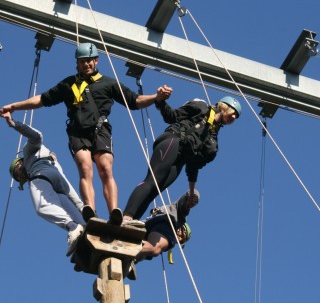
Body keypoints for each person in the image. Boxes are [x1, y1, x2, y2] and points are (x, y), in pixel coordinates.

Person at [0, 42, 172, 222]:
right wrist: (15, 106)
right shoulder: (69, 84)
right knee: (85, 167)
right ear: (77, 63)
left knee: (105, 167)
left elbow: (135, 101)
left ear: (96, 61)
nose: (86, 64)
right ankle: (90, 210)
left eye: (89, 61)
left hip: (100, 129)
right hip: (77, 131)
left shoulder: (108, 83)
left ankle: (114, 211)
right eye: (82, 61)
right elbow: (42, 99)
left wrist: (156, 97)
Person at [123, 96, 241, 222]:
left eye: (236, 116)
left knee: (154, 191)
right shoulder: (201, 108)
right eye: (233, 112)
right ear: (223, 106)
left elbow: (193, 166)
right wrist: (160, 101)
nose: (234, 117)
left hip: (181, 160)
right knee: (152, 180)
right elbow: (172, 116)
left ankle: (132, 221)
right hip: (174, 141)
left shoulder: (212, 140)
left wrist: (191, 193)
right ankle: (126, 216)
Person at [2, 112, 85, 256]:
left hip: (42, 174)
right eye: (18, 176)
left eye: (18, 170)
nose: (20, 173)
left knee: (42, 206)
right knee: (77, 209)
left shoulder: (29, 154)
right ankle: (89, 230)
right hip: (57, 179)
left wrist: (13, 123)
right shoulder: (49, 158)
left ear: (20, 162)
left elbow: (37, 136)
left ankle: (72, 226)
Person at [124, 190, 199, 280]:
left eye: (180, 240)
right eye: (181, 235)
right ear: (181, 227)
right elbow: (185, 201)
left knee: (145, 253)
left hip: (147, 226)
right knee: (155, 248)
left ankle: (129, 260)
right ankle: (125, 249)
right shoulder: (179, 215)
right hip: (163, 223)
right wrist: (193, 197)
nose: (178, 238)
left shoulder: (159, 214)